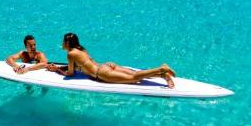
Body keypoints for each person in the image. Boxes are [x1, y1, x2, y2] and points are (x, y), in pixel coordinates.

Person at [46, 32, 176, 88]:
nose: (62, 43)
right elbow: (78, 66)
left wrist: (57, 69)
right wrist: (58, 67)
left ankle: (161, 68)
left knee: (134, 78)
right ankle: (162, 75)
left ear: (67, 43)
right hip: (107, 65)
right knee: (133, 75)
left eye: (63, 41)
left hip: (102, 74)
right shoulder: (81, 49)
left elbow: (70, 73)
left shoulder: (71, 54)